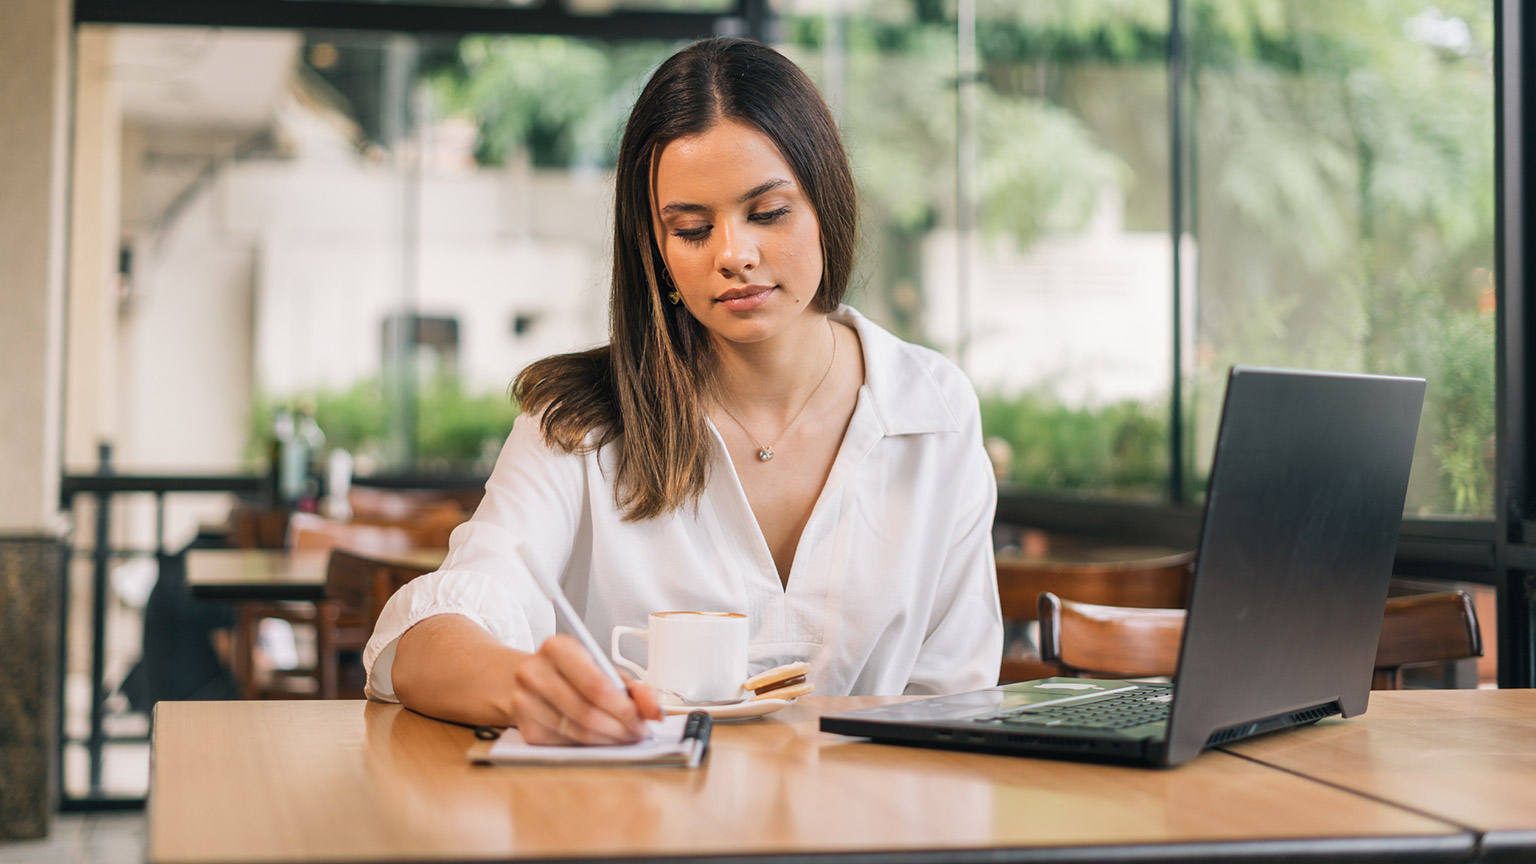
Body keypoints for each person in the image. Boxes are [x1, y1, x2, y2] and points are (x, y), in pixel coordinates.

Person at [363, 37, 1002, 745]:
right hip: (635, 829)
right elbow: (431, 637)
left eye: (767, 214)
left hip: (864, 837)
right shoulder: (580, 421)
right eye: (692, 228)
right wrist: (523, 688)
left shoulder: (934, 412)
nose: (734, 254)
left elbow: (958, 697)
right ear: (658, 250)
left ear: (827, 204)